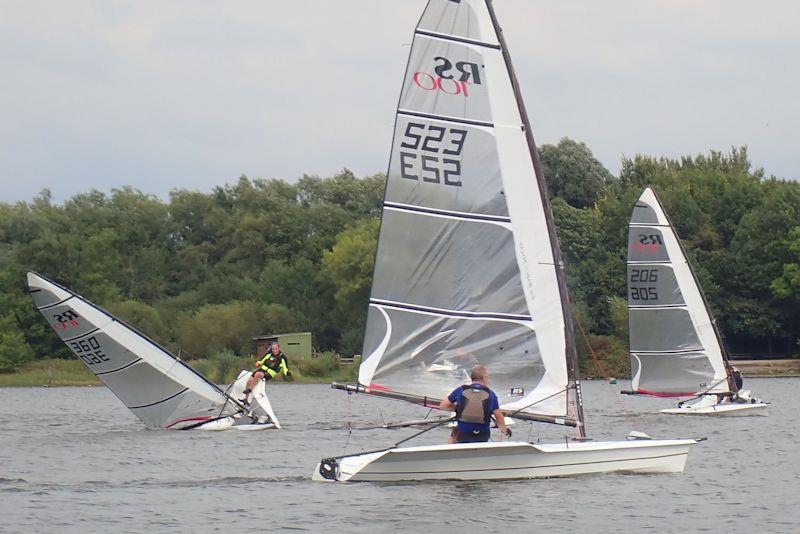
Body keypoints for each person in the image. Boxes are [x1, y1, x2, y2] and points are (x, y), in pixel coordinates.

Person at [438, 364, 511, 443]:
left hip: (463, 434)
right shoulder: (490, 394)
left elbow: (443, 406)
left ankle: (451, 453)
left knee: (454, 434)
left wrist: (458, 409)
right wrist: (504, 430)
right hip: (483, 435)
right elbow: (499, 417)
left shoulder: (461, 390)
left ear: (472, 378)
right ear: (484, 377)